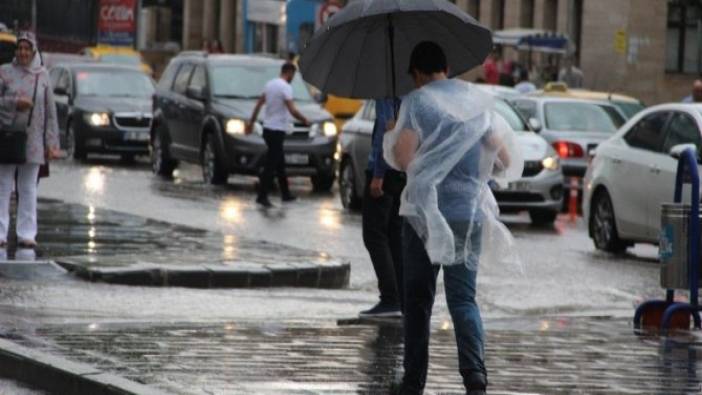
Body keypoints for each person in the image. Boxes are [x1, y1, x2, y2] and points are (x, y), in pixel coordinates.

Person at [383, 41, 521, 395]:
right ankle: (475, 377)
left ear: (417, 73)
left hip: (424, 217)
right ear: (445, 67)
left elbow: (403, 158)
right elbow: (502, 158)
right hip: (467, 214)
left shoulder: (417, 102)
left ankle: (414, 380)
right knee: (463, 299)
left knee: (417, 300)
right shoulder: (475, 102)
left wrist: (392, 131)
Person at [0, 31, 60, 249]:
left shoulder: (42, 75)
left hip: (33, 139)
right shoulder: (4, 72)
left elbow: (50, 112)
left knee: (28, 188)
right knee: (3, 185)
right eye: (20, 48)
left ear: (34, 51)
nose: (23, 52)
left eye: (27, 49)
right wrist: (15, 102)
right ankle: (1, 232)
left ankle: (27, 233)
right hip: (7, 138)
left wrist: (52, 144)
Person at [359, 97, 405, 318]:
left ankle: (390, 298)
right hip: (401, 170)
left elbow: (385, 136)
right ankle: (400, 297)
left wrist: (378, 175)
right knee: (394, 234)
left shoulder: (387, 94)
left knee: (374, 235)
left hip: (384, 171)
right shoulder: (411, 93)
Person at [246, 63, 310, 208]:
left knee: (279, 163)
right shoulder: (285, 87)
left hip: (267, 129)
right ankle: (262, 196)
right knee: (271, 164)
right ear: (289, 73)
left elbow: (258, 104)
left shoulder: (270, 84)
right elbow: (292, 109)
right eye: (293, 75)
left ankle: (285, 194)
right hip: (277, 130)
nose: (293, 78)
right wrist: (304, 119)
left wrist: (251, 122)